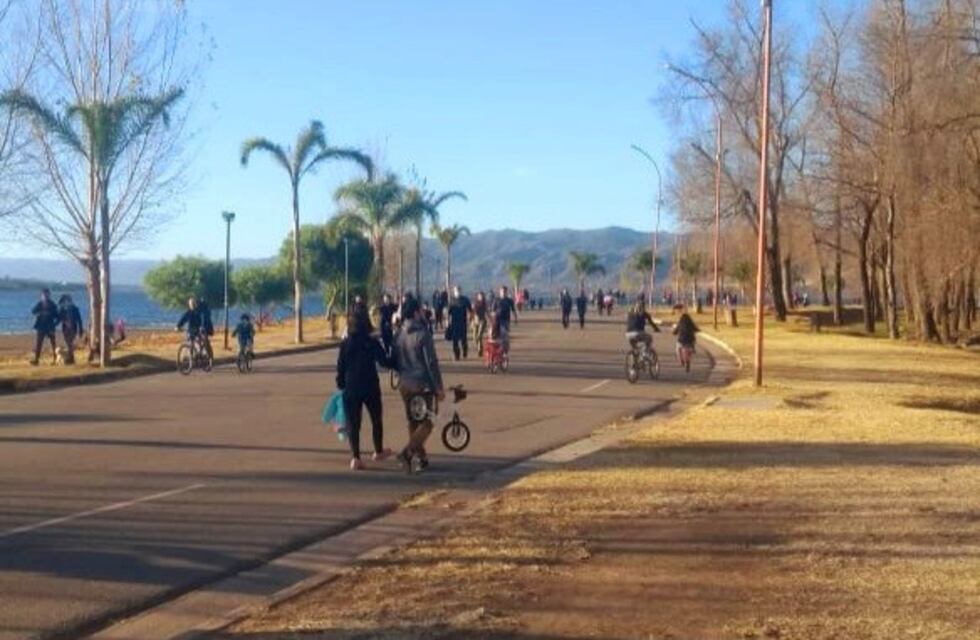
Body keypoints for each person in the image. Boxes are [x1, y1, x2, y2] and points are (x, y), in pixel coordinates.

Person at [336, 307, 392, 471]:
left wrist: (340, 383)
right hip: (370, 386)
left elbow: (340, 367)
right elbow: (383, 361)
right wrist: (396, 362)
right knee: (376, 419)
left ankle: (356, 458)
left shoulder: (345, 344)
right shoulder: (371, 342)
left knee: (354, 423)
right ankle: (378, 451)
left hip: (350, 386)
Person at [393, 296, 445, 473]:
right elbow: (431, 363)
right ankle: (408, 452)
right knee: (429, 420)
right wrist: (438, 387)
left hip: (404, 383)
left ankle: (421, 457)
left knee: (413, 421)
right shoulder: (423, 334)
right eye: (421, 310)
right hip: (420, 384)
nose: (423, 313)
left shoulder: (398, 333)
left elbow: (395, 359)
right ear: (416, 313)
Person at [30, 288, 60, 365]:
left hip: (50, 326)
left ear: (49, 295)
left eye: (47, 295)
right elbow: (33, 311)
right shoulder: (40, 304)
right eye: (44, 295)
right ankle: (36, 360)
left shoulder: (53, 304)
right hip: (41, 327)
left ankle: (55, 359)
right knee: (38, 343)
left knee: (53, 344)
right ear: (41, 296)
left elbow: (57, 316)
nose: (46, 296)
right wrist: (40, 313)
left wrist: (54, 324)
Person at [447, 285, 472, 360]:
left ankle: (465, 351)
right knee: (455, 340)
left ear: (461, 291)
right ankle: (456, 355)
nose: (457, 292)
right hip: (454, 323)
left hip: (463, 323)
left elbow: (470, 310)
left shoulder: (465, 300)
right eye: (456, 290)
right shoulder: (451, 301)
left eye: (458, 290)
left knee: (464, 340)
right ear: (454, 291)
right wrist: (447, 322)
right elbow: (448, 312)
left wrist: (470, 320)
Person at [57, 294, 83, 365]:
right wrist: (53, 325)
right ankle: (70, 358)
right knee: (68, 343)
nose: (67, 302)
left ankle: (71, 359)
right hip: (65, 328)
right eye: (66, 301)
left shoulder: (75, 309)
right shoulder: (63, 309)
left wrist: (81, 330)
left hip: (73, 328)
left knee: (69, 343)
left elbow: (79, 320)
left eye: (68, 300)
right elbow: (59, 319)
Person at [492, 286, 517, 352]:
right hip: (497, 320)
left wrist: (515, 318)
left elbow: (513, 310)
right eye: (502, 291)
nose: (503, 293)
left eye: (504, 291)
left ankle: (505, 348)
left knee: (504, 334)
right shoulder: (496, 300)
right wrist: (493, 319)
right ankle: (498, 348)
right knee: (496, 335)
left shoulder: (509, 300)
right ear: (500, 292)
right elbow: (493, 311)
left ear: (506, 292)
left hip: (506, 320)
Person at [472, 291, 489, 356]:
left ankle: (480, 349)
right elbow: (472, 312)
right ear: (477, 296)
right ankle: (479, 347)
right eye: (480, 296)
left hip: (482, 321)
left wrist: (491, 319)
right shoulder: (474, 303)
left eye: (482, 296)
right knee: (474, 337)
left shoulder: (485, 304)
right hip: (475, 321)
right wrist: (470, 319)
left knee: (479, 336)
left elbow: (487, 312)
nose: (481, 297)